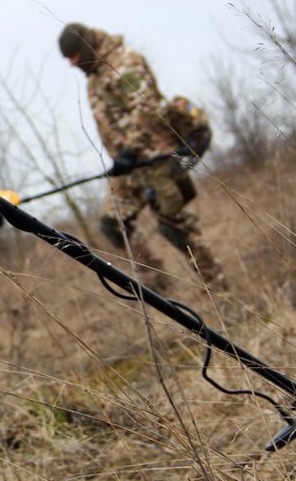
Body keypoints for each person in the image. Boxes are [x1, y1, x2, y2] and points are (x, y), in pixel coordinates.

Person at [58, 22, 225, 291]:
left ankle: (218, 289)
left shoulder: (123, 63)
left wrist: (129, 149)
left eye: (74, 57)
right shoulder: (94, 77)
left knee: (173, 225)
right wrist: (120, 156)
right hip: (128, 169)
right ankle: (158, 287)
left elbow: (145, 107)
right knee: (113, 224)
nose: (72, 64)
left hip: (155, 158)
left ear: (86, 47)